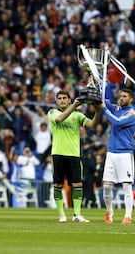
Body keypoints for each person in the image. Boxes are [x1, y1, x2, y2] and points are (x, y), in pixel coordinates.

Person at [47, 90, 101, 223]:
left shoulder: (77, 115)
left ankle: (77, 214)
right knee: (58, 185)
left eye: (65, 98)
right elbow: (59, 120)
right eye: (59, 98)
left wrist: (98, 111)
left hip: (74, 155)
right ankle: (61, 215)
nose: (62, 100)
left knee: (77, 184)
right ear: (56, 101)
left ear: (69, 100)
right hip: (58, 153)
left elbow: (92, 125)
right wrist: (75, 105)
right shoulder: (52, 113)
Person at [98, 88, 135, 224]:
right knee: (107, 186)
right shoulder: (116, 108)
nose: (121, 98)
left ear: (131, 99)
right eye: (120, 96)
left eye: (125, 96)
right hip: (111, 153)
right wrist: (98, 85)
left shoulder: (132, 114)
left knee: (127, 185)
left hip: (124, 153)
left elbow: (116, 121)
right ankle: (109, 212)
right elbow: (102, 100)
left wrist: (104, 109)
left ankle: (128, 216)